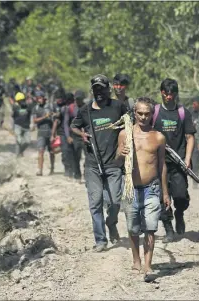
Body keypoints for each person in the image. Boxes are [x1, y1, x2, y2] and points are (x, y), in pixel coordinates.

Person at [71, 74, 128, 252]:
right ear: (92, 91)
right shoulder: (86, 111)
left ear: (108, 89)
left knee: (114, 202)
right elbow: (74, 126)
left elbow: (130, 125)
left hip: (114, 163)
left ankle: (111, 223)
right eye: (96, 89)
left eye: (102, 88)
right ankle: (100, 240)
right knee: (95, 202)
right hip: (92, 165)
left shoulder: (118, 106)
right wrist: (81, 135)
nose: (99, 92)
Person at [116, 97, 170, 281]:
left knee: (150, 227)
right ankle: (136, 260)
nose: (143, 117)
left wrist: (165, 192)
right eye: (140, 113)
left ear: (152, 114)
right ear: (134, 113)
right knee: (133, 227)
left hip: (152, 188)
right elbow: (116, 160)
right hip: (131, 187)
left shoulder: (158, 137)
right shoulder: (125, 134)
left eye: (147, 114)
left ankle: (148, 265)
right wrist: (119, 154)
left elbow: (162, 165)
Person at [151, 78, 196, 242]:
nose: (168, 97)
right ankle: (168, 229)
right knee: (161, 197)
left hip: (179, 163)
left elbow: (190, 137)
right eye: (165, 93)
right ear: (161, 92)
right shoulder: (154, 112)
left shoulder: (183, 113)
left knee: (180, 196)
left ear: (176, 94)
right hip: (158, 163)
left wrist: (188, 158)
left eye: (171, 94)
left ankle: (179, 213)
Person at [32, 91, 55, 176]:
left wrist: (54, 133)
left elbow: (55, 118)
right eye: (38, 98)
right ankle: (40, 170)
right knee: (41, 151)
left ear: (44, 98)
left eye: (40, 98)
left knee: (51, 152)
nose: (39, 100)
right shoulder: (36, 108)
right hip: (41, 133)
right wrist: (45, 117)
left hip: (50, 132)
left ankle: (52, 169)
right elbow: (34, 120)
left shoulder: (50, 106)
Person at [64, 90, 86, 182]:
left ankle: (86, 172)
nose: (78, 101)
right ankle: (77, 175)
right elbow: (66, 123)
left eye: (79, 99)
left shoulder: (87, 107)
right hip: (75, 136)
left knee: (89, 157)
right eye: (76, 99)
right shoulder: (71, 108)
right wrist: (68, 136)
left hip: (86, 135)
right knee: (76, 157)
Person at [51, 88, 72, 177]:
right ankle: (67, 169)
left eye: (59, 98)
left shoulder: (68, 105)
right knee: (65, 151)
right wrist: (53, 134)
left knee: (71, 152)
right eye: (56, 98)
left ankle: (72, 169)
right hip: (62, 132)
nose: (57, 100)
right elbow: (55, 121)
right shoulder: (55, 106)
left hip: (72, 131)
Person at [12, 92, 34, 157]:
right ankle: (17, 156)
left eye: (21, 100)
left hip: (26, 127)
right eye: (18, 101)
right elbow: (13, 116)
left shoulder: (29, 106)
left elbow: (31, 111)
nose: (20, 102)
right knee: (18, 141)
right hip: (17, 126)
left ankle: (20, 152)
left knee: (27, 142)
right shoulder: (15, 106)